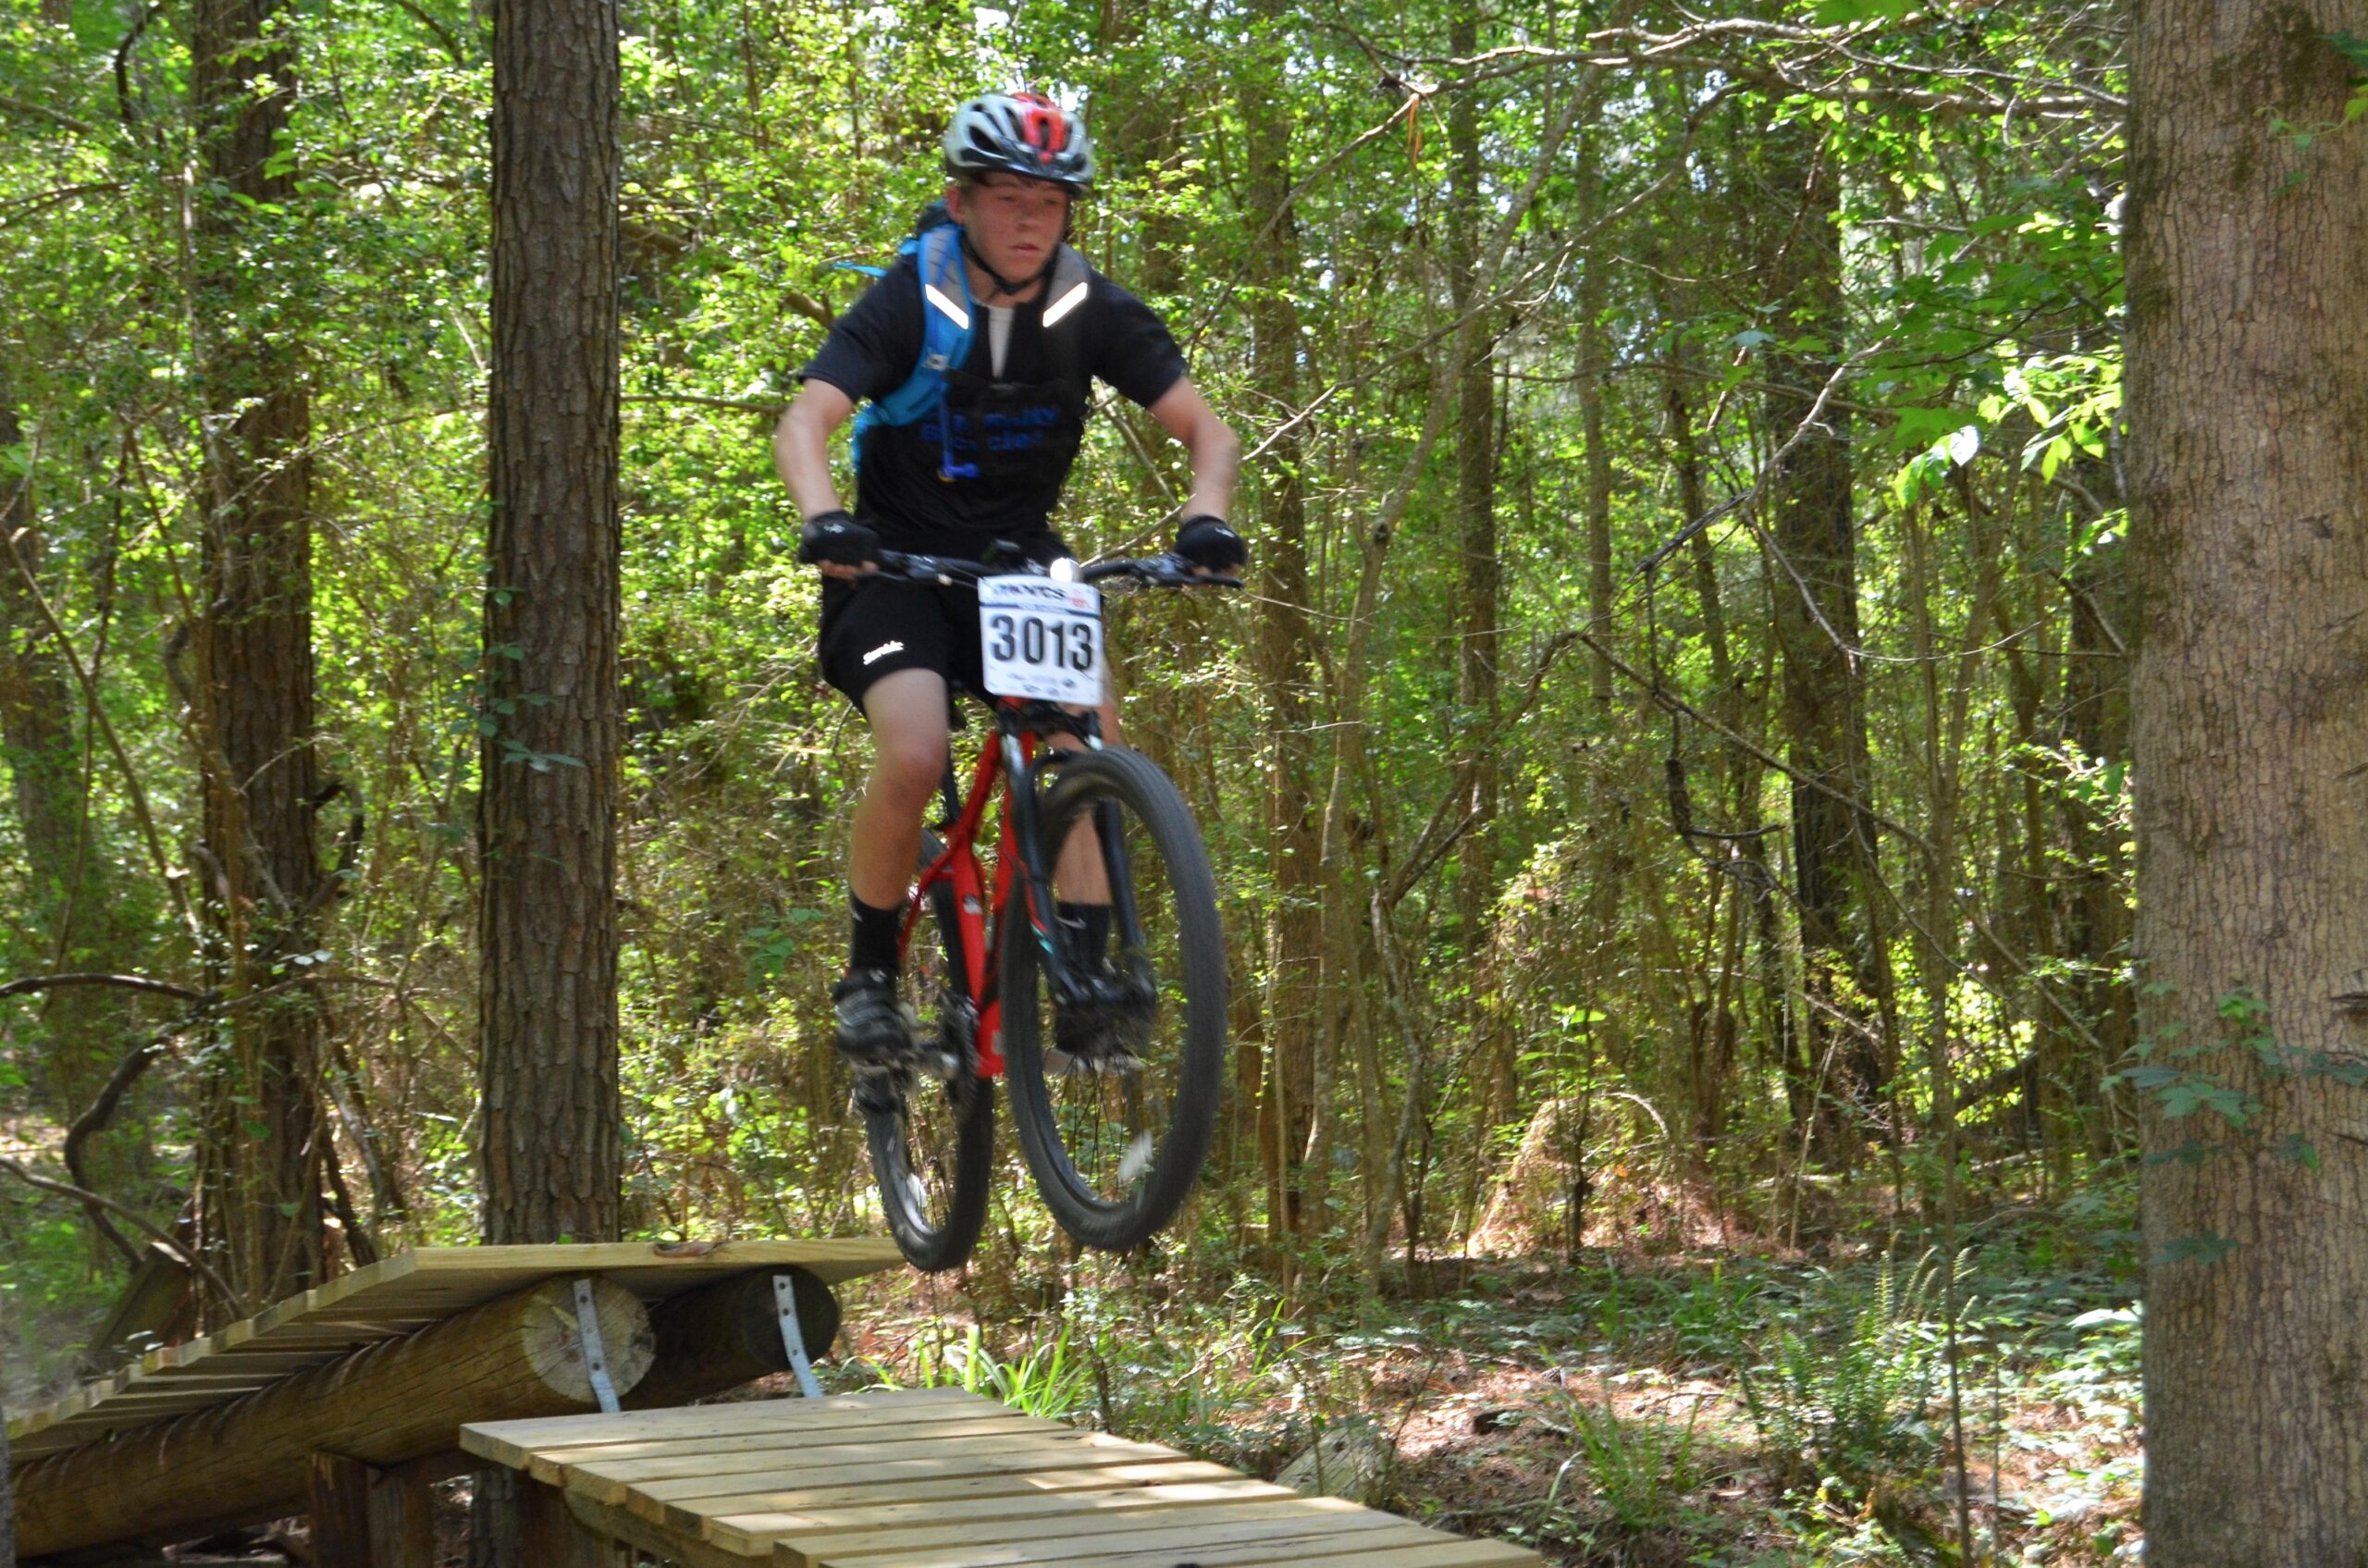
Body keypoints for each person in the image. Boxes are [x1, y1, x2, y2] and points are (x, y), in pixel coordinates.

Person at [772, 92, 1244, 1069]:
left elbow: (1208, 430)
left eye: (1050, 201)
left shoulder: (1091, 308)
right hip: (892, 562)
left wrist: (1206, 517)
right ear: (959, 203)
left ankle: (1082, 978)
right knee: (912, 751)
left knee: (1088, 746)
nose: (1029, 221)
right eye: (1005, 199)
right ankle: (866, 980)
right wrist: (825, 520)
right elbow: (804, 422)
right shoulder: (910, 300)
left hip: (1019, 567)